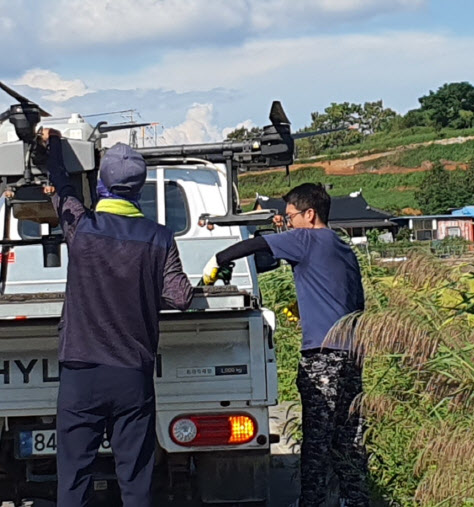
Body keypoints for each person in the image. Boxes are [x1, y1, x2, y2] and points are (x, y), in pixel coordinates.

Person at [42, 129, 193, 507]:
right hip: (132, 376)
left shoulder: (82, 229)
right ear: (139, 187)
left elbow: (63, 192)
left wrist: (54, 150)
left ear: (100, 182)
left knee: (74, 478)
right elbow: (180, 296)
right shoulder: (160, 238)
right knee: (136, 480)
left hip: (81, 374)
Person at [202, 183, 368, 507]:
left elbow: (254, 245)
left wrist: (217, 260)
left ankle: (312, 502)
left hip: (322, 356)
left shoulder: (305, 238)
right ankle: (355, 499)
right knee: (349, 437)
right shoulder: (343, 246)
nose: (288, 222)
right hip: (352, 354)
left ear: (310, 214)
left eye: (291, 216)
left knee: (317, 440)